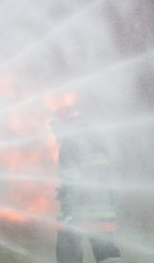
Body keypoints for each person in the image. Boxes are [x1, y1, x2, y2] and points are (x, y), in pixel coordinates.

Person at [51, 107, 122, 263]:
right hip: (102, 208)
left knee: (67, 250)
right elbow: (99, 174)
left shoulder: (70, 144)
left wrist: (69, 210)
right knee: (106, 251)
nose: (54, 131)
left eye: (56, 126)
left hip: (77, 210)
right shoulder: (95, 139)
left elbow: (73, 181)